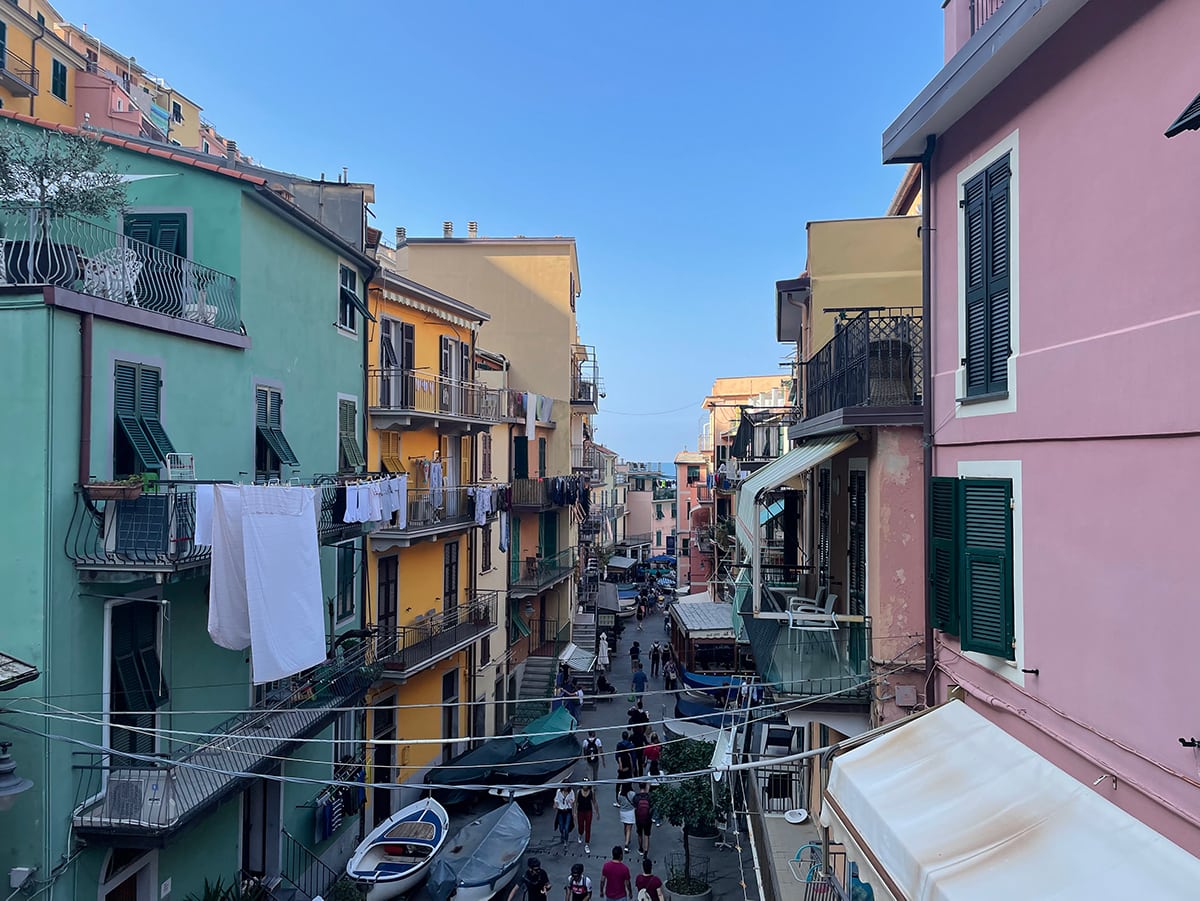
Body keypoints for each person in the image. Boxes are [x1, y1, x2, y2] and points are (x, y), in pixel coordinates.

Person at [575, 779, 598, 854]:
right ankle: (580, 834)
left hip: (588, 811)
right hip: (580, 811)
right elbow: (576, 803)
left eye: (587, 784)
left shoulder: (592, 792)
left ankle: (587, 844)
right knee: (581, 826)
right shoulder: (578, 792)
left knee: (588, 827)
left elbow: (594, 802)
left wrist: (597, 812)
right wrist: (574, 812)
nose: (585, 786)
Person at [632, 783, 654, 857]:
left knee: (639, 833)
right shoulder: (649, 797)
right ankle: (646, 852)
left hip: (639, 818)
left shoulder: (636, 797)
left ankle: (640, 849)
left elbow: (634, 806)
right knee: (646, 835)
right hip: (647, 819)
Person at [614, 731, 634, 804]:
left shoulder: (620, 756)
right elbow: (631, 763)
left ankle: (618, 800)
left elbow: (621, 767)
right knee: (629, 786)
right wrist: (631, 770)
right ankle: (631, 799)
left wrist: (622, 769)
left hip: (622, 773)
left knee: (618, 786)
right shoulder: (628, 754)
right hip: (628, 773)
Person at [616, 788, 636, 852]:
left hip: (623, 812)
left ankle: (626, 839)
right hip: (630, 812)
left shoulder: (620, 793)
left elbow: (619, 801)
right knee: (629, 829)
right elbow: (635, 801)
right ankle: (626, 845)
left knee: (625, 827)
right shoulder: (632, 794)